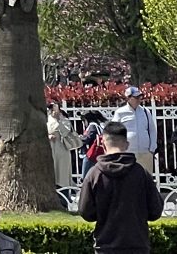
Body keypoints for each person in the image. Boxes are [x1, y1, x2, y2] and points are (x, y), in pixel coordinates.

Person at [77, 121, 163, 254]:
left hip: (105, 246)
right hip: (138, 245)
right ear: (127, 144)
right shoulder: (141, 173)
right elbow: (155, 210)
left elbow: (86, 212)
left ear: (103, 144)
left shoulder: (94, 174)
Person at [112, 89, 157, 174]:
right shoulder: (120, 112)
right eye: (136, 97)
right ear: (128, 98)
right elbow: (114, 131)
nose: (139, 99)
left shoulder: (145, 111)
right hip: (127, 153)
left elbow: (152, 130)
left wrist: (152, 148)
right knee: (128, 178)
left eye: (140, 97)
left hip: (145, 152)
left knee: (145, 177)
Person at [46, 109, 81, 193]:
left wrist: (58, 121)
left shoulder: (63, 120)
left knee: (62, 177)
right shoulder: (45, 120)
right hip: (49, 151)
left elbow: (67, 133)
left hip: (62, 151)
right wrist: (48, 136)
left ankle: (65, 195)